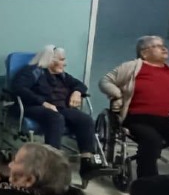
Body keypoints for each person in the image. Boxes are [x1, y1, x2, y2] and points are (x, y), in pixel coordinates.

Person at [100, 36, 169, 178]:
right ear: (144, 53)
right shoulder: (132, 66)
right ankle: (148, 184)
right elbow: (105, 81)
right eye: (157, 46)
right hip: (141, 119)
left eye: (164, 45)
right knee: (151, 141)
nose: (164, 48)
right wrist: (117, 94)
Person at [12, 45, 111, 181]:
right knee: (56, 118)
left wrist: (77, 92)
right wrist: (43, 102)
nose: (65, 63)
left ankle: (87, 163)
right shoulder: (32, 72)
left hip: (60, 108)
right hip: (34, 106)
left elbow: (80, 85)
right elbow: (19, 89)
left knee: (85, 119)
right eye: (62, 59)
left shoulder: (62, 76)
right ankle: (52, 165)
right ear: (51, 60)